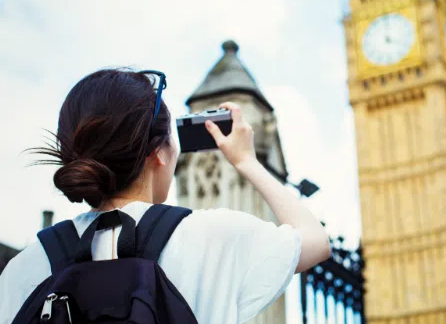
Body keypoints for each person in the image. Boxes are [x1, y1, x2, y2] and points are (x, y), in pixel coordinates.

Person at [0, 69, 331, 323]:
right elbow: (316, 241)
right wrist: (247, 161)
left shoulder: (24, 266)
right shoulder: (213, 238)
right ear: (158, 152)